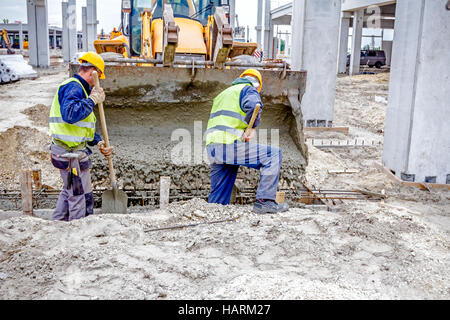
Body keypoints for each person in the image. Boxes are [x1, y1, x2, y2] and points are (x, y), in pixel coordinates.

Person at [205, 69, 289, 214]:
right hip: (229, 145)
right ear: (257, 85)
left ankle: (213, 213)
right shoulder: (248, 89)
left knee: (217, 203)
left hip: (213, 147)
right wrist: (252, 127)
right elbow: (253, 105)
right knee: (273, 155)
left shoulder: (222, 94)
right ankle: (265, 202)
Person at [49, 52, 113, 222]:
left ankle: (57, 223)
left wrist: (99, 141)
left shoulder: (80, 90)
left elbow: (82, 128)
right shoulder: (74, 87)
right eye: (98, 76)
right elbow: (70, 114)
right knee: (77, 195)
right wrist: (92, 100)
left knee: (69, 190)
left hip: (72, 151)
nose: (98, 80)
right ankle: (77, 229)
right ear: (92, 71)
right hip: (69, 153)